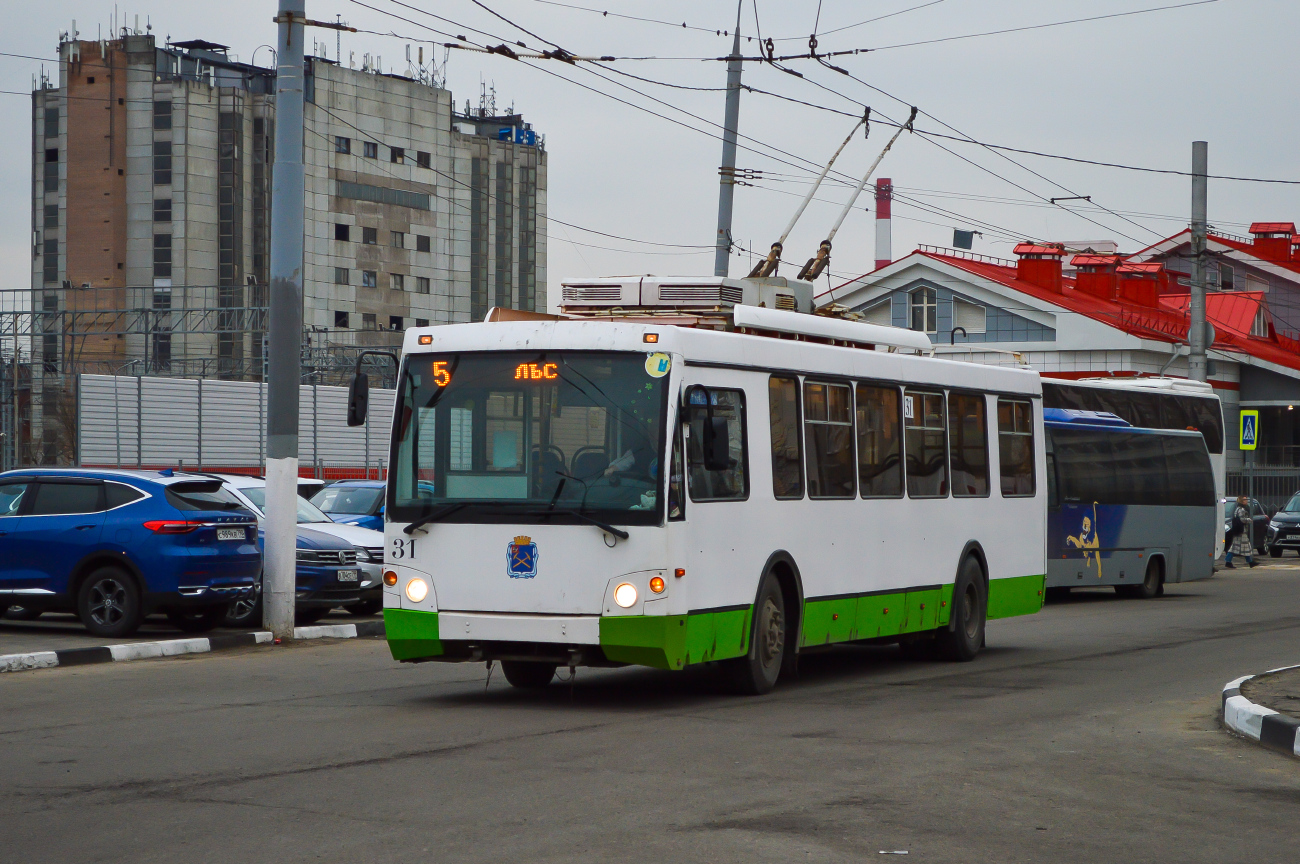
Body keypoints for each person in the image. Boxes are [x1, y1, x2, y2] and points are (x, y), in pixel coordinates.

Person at [1224, 496, 1257, 569]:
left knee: (1238, 547)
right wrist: (1249, 520)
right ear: (1242, 501)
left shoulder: (1238, 508)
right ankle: (1250, 562)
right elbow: (1242, 519)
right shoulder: (1241, 509)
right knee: (1243, 547)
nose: (1247, 501)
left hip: (1239, 531)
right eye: (1245, 499)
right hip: (1241, 531)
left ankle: (1229, 561)